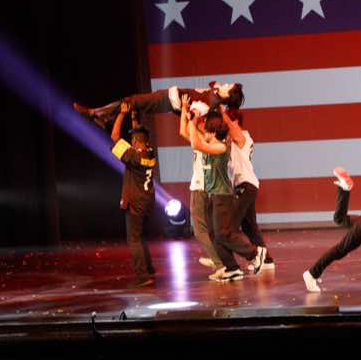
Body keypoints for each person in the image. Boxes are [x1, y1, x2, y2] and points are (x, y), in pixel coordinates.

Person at [185, 111, 267, 281]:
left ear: (214, 133)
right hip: (212, 195)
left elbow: (195, 143)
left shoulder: (222, 148)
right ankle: (231, 268)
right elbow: (190, 135)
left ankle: (254, 253)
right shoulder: (210, 143)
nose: (205, 133)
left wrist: (192, 122)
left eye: (208, 131)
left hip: (222, 196)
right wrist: (187, 113)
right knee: (214, 235)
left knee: (223, 233)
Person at [110, 102, 157, 287]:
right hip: (147, 201)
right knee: (140, 236)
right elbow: (138, 134)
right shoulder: (150, 153)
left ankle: (142, 275)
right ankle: (149, 268)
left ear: (136, 141)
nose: (130, 142)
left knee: (134, 239)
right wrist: (134, 117)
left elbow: (114, 137)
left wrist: (121, 114)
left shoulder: (133, 156)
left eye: (132, 139)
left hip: (135, 202)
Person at [222, 108, 275, 272]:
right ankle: (266, 260)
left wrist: (220, 110)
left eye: (226, 122)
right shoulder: (231, 139)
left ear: (235, 122)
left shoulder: (243, 136)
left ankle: (227, 261)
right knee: (249, 227)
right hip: (245, 186)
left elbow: (233, 131)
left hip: (246, 185)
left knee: (228, 227)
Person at [74, 81, 244, 129]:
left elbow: (191, 115)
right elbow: (213, 84)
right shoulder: (215, 95)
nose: (226, 84)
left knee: (131, 101)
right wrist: (219, 92)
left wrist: (182, 108)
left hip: (166, 101)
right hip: (167, 97)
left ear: (228, 95)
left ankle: (93, 113)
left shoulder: (208, 105)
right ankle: (105, 118)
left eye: (229, 86)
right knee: (132, 103)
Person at [177, 112, 225, 273]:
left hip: (200, 187)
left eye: (203, 122)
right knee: (209, 229)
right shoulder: (206, 140)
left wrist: (193, 120)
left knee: (199, 230)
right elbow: (183, 131)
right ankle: (218, 259)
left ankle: (220, 264)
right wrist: (185, 110)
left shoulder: (205, 141)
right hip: (205, 188)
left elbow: (189, 136)